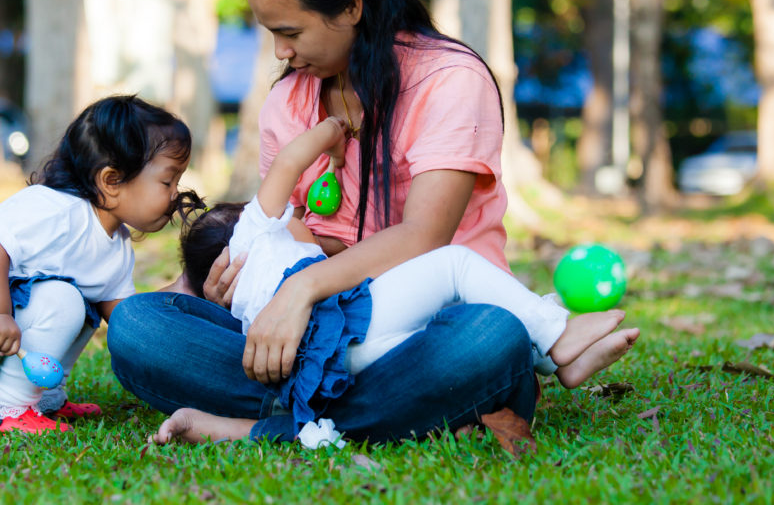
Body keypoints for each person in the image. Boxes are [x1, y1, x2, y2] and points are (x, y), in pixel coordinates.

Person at [107, 0, 636, 446]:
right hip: (318, 340)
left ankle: (264, 426)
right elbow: (283, 233)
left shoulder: (447, 81)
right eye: (270, 33)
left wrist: (301, 289)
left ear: (353, 6)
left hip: (427, 335)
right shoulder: (289, 103)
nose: (280, 52)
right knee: (141, 326)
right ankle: (369, 416)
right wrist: (219, 288)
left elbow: (425, 237)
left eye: (291, 32)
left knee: (490, 336)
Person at [175, 115, 638, 440]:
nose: (300, 214)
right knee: (454, 267)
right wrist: (333, 132)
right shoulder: (256, 228)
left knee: (434, 335)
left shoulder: (240, 305)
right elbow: (288, 163)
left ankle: (549, 359)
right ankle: (558, 339)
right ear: (252, 223)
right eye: (290, 214)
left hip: (333, 370)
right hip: (348, 319)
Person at [0, 95, 191, 434]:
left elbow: (124, 316)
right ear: (111, 181)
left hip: (5, 325)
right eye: (168, 181)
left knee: (84, 305)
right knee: (64, 299)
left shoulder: (118, 245)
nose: (175, 194)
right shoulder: (56, 209)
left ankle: (44, 397)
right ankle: (6, 407)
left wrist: (184, 294)